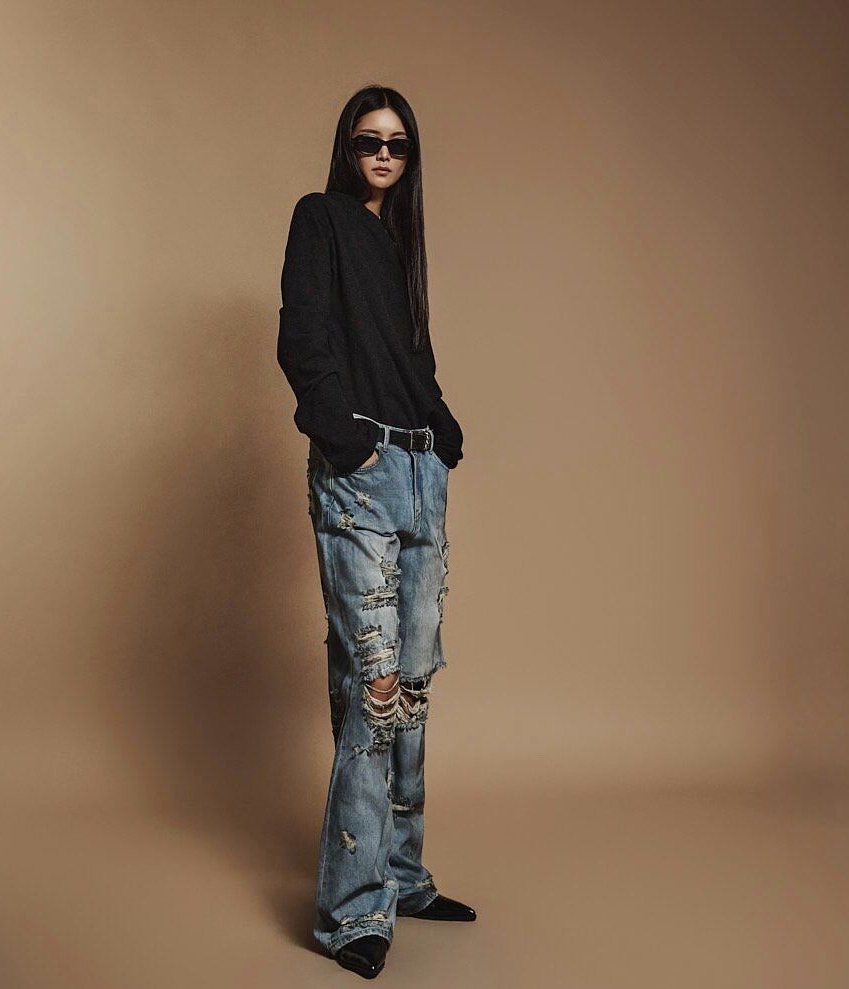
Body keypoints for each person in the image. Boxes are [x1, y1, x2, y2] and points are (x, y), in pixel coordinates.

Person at [276, 84, 476, 980]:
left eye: (398, 144)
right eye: (369, 141)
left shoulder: (399, 243)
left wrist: (443, 432)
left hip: (420, 471)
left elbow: (411, 360)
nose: (385, 155)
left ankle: (400, 874)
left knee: (416, 686)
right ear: (346, 147)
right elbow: (302, 339)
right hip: (362, 470)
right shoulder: (319, 218)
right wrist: (344, 440)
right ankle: (352, 910)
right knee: (375, 683)